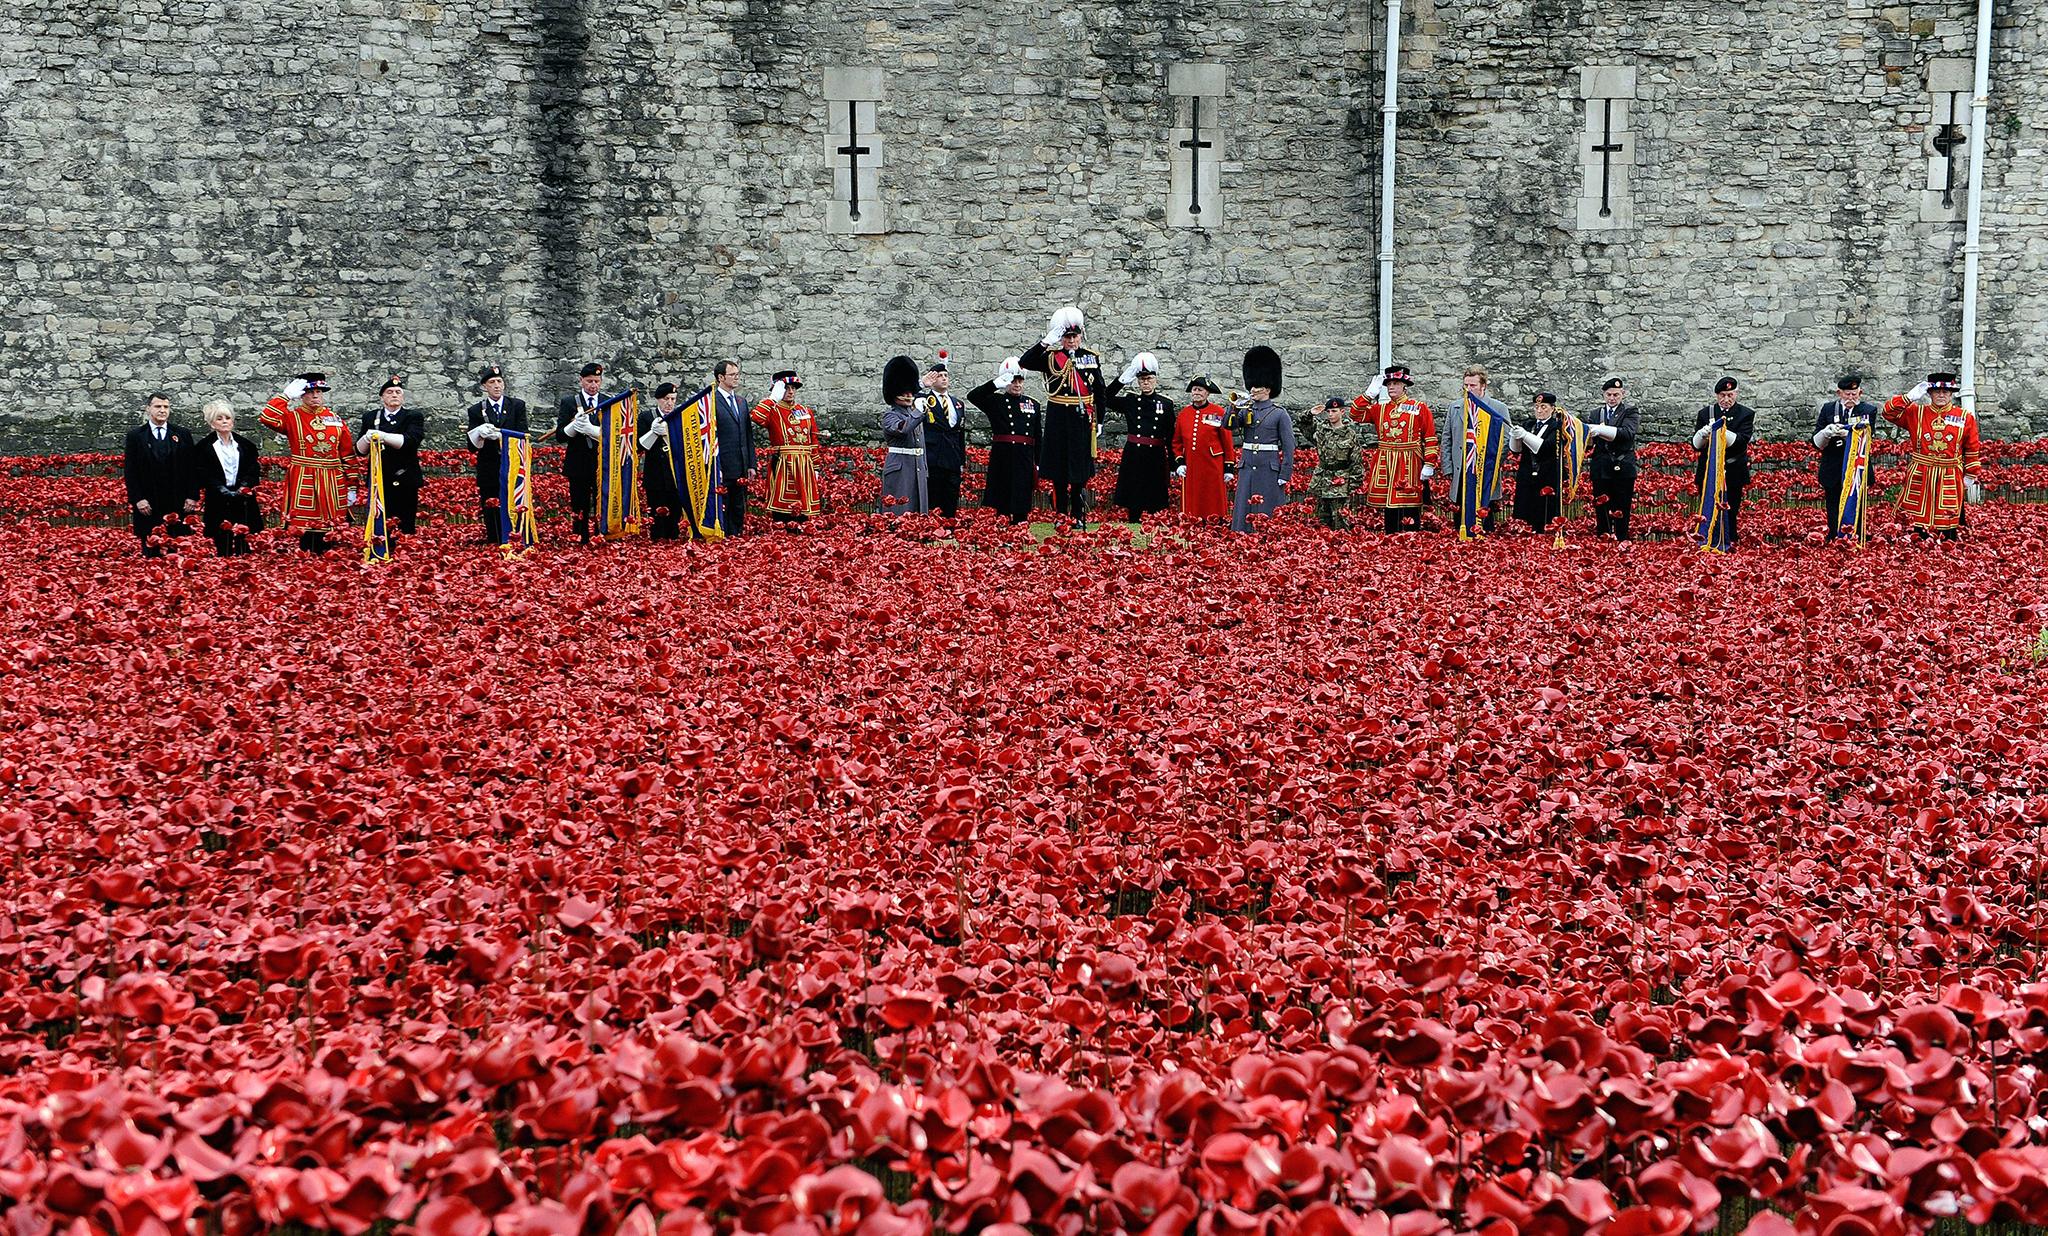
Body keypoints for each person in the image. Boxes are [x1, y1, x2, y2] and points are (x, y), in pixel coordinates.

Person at [1019, 305, 1107, 524]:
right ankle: (1060, 514)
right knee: (1059, 470)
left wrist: (1101, 420)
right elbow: (1025, 362)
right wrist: (1046, 341)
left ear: (1080, 336)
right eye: (1067, 337)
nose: (1071, 341)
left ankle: (1077, 514)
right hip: (1058, 418)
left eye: (1075, 336)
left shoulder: (1090, 358)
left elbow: (1100, 391)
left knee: (1078, 470)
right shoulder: (1051, 357)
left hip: (1081, 419)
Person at [259, 373, 355, 554]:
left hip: (332, 479)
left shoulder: (335, 419)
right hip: (305, 476)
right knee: (306, 528)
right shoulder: (292, 418)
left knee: (332, 527)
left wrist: (352, 486)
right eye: (310, 392)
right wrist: (285, 396)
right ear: (301, 395)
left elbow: (347, 454)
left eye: (319, 391)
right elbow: (267, 417)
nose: (315, 395)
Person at [1882, 371, 1983, 539]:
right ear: (1929, 393)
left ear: (1951, 394)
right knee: (1917, 512)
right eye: (1937, 392)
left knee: (1947, 511)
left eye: (1945, 392)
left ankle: (1947, 541)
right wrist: (1908, 397)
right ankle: (1918, 539)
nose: (1941, 395)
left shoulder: (1965, 417)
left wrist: (1971, 474)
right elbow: (1888, 413)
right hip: (1921, 470)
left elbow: (1972, 447)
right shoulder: (1916, 413)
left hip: (1949, 472)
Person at [1358, 365, 1438, 533]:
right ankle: (1391, 538)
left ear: (1404, 386)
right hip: (1386, 461)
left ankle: (1411, 540)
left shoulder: (1419, 408)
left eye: (1395, 383)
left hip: (1409, 461)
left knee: (1409, 503)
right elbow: (1355, 414)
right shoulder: (1380, 409)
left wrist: (1429, 464)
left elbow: (1430, 437)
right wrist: (1369, 394)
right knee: (1389, 506)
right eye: (1388, 384)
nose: (1391, 387)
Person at [1226, 347, 1296, 533]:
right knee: (1244, 505)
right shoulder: (1247, 410)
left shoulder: (1279, 414)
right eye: (1252, 386)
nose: (1252, 390)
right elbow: (1228, 426)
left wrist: (1285, 474)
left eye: (1257, 387)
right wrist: (1233, 407)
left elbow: (1289, 446)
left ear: (1267, 388)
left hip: (1268, 467)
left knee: (1267, 505)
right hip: (1248, 465)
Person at [966, 356, 1043, 523]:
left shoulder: (1033, 404)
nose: (1017, 384)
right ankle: (1002, 527)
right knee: (1003, 494)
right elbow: (973, 396)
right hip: (1003, 455)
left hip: (1024, 456)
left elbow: (1038, 435)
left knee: (1022, 495)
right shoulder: (995, 401)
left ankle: (1020, 526)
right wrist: (995, 384)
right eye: (1013, 381)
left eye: (1020, 380)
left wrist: (1038, 461)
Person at [121, 392, 197, 556]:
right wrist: (138, 499)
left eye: (166, 407)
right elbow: (131, 470)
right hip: (148, 503)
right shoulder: (135, 436)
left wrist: (192, 496)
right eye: (158, 406)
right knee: (151, 551)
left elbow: (192, 468)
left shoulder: (182, 434)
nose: (162, 410)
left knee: (178, 552)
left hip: (178, 502)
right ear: (148, 409)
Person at [1105, 351, 1175, 521]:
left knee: (1154, 492)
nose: (1146, 383)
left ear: (1155, 379)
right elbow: (1105, 397)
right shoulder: (1130, 401)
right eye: (1142, 379)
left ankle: (1152, 521)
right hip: (1134, 453)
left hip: (1155, 454)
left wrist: (1173, 463)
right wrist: (1123, 378)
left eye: (1149, 379)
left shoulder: (1166, 404)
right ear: (1137, 381)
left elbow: (1170, 435)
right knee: (1134, 491)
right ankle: (1133, 520)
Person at [465, 365, 531, 545]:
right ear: (485, 386)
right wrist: (479, 432)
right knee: (490, 502)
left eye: (499, 381)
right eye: (492, 382)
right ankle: (494, 538)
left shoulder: (516, 406)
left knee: (514, 500)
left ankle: (517, 535)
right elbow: (471, 445)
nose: (496, 385)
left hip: (512, 462)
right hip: (489, 464)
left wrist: (502, 435)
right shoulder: (476, 410)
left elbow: (524, 434)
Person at [1437, 366, 1505, 533]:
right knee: (1461, 510)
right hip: (1462, 469)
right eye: (1466, 385)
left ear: (1483, 386)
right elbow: (1447, 438)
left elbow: (1505, 440)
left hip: (1486, 468)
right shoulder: (1455, 407)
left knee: (1484, 510)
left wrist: (1492, 463)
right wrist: (1448, 467)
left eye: (1473, 385)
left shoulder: (1498, 408)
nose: (1468, 389)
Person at [190, 401, 263, 556]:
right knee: (222, 538)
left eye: (227, 418)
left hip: (242, 498)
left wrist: (243, 486)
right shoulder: (203, 447)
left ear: (233, 421)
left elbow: (253, 469)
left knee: (244, 539)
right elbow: (202, 472)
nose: (224, 421)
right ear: (212, 423)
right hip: (218, 498)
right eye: (219, 418)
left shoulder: (246, 445)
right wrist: (220, 488)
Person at [355, 374, 424, 536]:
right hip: (380, 477)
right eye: (389, 392)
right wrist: (366, 438)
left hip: (405, 477)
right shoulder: (371, 417)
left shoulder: (412, 416)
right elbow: (360, 450)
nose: (394, 395)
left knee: (405, 522)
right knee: (380, 521)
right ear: (382, 397)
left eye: (398, 392)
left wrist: (383, 437)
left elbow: (410, 441)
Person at [1691, 376, 1756, 546]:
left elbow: (1741, 441)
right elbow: (1696, 445)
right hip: (1709, 468)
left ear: (1736, 394)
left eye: (1730, 395)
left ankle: (1729, 539)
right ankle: (1707, 538)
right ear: (1716, 395)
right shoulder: (1706, 413)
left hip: (1732, 468)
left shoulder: (1745, 414)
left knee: (1731, 508)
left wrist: (1720, 431)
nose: (1726, 399)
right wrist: (1703, 434)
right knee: (1707, 504)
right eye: (1722, 395)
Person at [1814, 375, 1880, 541]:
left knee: (1856, 503)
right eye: (1847, 394)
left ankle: (1856, 534)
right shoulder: (1829, 409)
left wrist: (1850, 434)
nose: (1851, 398)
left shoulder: (1867, 410)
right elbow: (1816, 439)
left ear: (1860, 393)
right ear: (1839, 393)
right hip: (1833, 465)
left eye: (1854, 394)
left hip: (1857, 466)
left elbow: (1869, 436)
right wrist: (1827, 433)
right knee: (1833, 503)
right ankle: (1834, 534)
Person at [752, 370, 823, 522]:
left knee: (804, 508)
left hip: (805, 465)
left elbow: (813, 439)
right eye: (786, 388)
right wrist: (772, 399)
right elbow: (756, 417)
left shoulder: (805, 411)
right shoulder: (773, 410)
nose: (791, 391)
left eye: (793, 388)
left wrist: (816, 466)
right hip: (784, 463)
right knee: (783, 508)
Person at [555, 362, 606, 543]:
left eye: (597, 381)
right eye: (589, 381)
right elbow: (560, 435)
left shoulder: (607, 401)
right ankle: (580, 536)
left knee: (602, 502)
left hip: (601, 462)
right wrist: (573, 427)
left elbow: (613, 436)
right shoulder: (570, 402)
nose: (593, 385)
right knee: (579, 503)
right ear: (581, 381)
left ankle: (603, 534)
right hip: (578, 461)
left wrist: (592, 430)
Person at [1173, 377, 1235, 522]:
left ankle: (1215, 521)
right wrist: (1179, 461)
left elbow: (1227, 442)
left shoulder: (1218, 412)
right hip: (1192, 463)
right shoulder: (1184, 414)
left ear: (1207, 393)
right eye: (1194, 390)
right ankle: (1192, 521)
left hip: (1213, 464)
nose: (1196, 393)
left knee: (1212, 495)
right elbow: (1176, 442)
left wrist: (1228, 467)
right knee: (1193, 495)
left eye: (1200, 390)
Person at [916, 353, 970, 518]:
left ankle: (950, 524)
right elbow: (912, 398)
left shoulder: (957, 403)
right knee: (934, 492)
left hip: (952, 456)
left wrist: (962, 459)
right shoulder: (924, 399)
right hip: (934, 455)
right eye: (939, 376)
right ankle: (934, 525)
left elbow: (960, 432)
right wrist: (921, 385)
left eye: (946, 375)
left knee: (951, 492)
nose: (944, 379)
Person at [1586, 376, 1639, 542]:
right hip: (1601, 466)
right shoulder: (1596, 414)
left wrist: (1602, 430)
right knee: (1601, 506)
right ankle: (1603, 537)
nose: (1612, 398)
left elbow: (1627, 433)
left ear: (1622, 394)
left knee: (1622, 506)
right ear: (1604, 395)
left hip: (1622, 464)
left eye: (1616, 394)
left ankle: (1622, 538)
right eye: (1609, 394)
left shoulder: (1630, 412)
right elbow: (1589, 442)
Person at [880, 355, 929, 517]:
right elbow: (902, 429)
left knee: (918, 508)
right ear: (895, 394)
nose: (909, 396)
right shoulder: (890, 415)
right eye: (904, 393)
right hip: (900, 468)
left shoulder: (914, 414)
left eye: (910, 392)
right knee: (900, 510)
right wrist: (918, 412)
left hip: (918, 467)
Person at [711, 360, 756, 535]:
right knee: (724, 504)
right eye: (732, 375)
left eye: (737, 374)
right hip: (722, 462)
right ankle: (724, 534)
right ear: (721, 377)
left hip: (741, 463)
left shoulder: (741, 402)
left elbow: (748, 434)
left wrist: (751, 464)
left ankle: (736, 534)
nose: (736, 378)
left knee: (738, 505)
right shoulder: (711, 401)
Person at [1510, 393, 1566, 533]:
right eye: (1536, 407)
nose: (1539, 410)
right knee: (1527, 510)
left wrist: (1525, 435)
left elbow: (1545, 448)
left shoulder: (1557, 426)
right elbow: (1516, 450)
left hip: (1547, 474)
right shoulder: (1529, 425)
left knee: (1545, 511)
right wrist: (1515, 436)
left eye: (1543, 407)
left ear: (1552, 408)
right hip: (1528, 472)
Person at [1307, 397, 1364, 530]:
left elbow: (1356, 461)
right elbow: (1303, 425)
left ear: (1342, 411)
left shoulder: (1350, 434)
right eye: (1328, 412)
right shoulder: (1321, 430)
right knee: (1320, 521)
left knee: (1340, 521)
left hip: (1340, 482)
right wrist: (1310, 413)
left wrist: (1353, 485)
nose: (1331, 414)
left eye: (1334, 411)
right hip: (1321, 480)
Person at [638, 382, 684, 541]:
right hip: (655, 473)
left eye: (673, 399)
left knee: (674, 511)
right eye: (666, 399)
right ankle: (657, 538)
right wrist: (653, 432)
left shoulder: (679, 416)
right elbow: (638, 446)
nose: (670, 403)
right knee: (656, 511)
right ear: (658, 399)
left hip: (674, 473)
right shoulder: (647, 416)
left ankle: (673, 537)